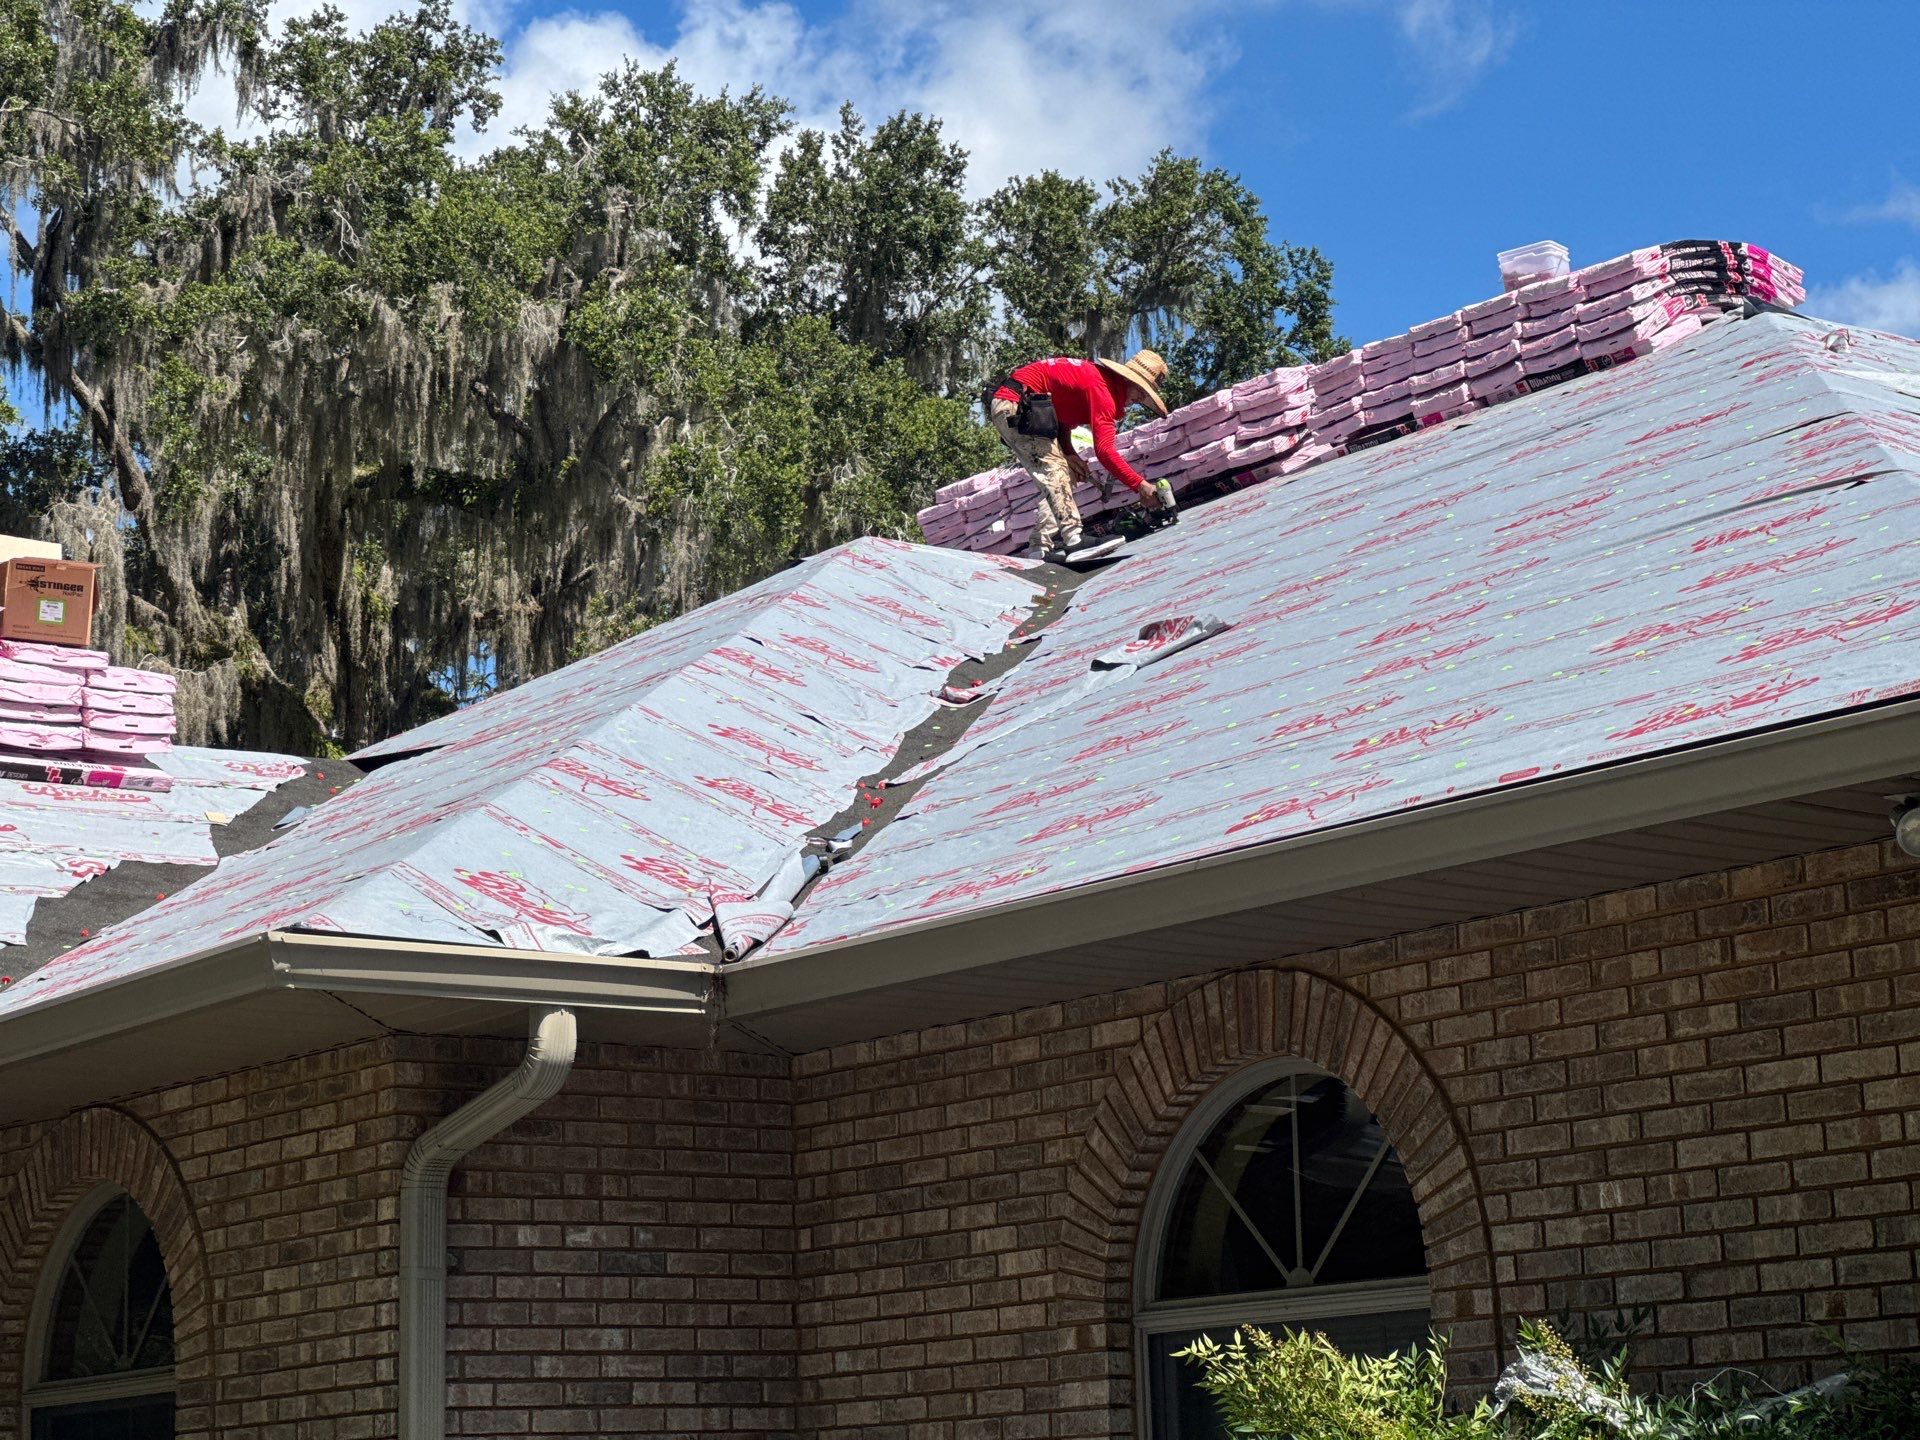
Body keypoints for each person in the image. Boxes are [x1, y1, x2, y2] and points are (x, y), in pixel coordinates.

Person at [987, 348, 1179, 564]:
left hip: (1027, 407)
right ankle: (1074, 540)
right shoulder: (1103, 391)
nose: (1140, 399)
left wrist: (1070, 454)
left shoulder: (1095, 382)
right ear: (1126, 380)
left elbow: (1063, 419)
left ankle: (1039, 547)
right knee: (1054, 471)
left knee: (1063, 472)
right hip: (1016, 405)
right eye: (1140, 391)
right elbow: (1105, 450)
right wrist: (1141, 486)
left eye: (1146, 394)